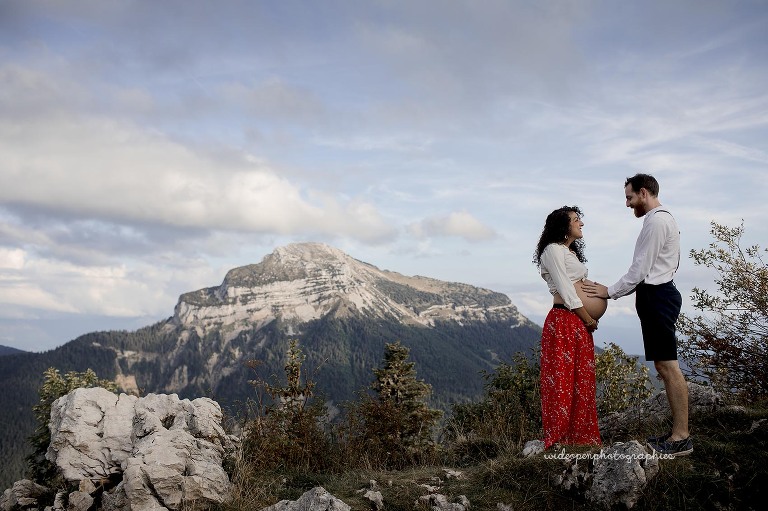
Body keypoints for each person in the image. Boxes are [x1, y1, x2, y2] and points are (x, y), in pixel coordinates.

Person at [583, 173, 692, 457]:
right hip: (656, 296)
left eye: (630, 198)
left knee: (668, 366)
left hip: (658, 296)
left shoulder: (657, 221)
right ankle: (678, 434)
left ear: (644, 193)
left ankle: (681, 438)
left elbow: (640, 268)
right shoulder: (659, 220)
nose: (628, 204)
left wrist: (610, 291)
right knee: (663, 365)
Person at [534, 206, 605, 449]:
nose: (581, 224)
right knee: (562, 380)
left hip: (577, 321)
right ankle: (560, 437)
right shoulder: (553, 250)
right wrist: (588, 318)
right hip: (564, 320)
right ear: (563, 226)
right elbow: (566, 290)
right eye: (576, 220)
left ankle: (580, 436)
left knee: (582, 380)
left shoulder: (568, 252)